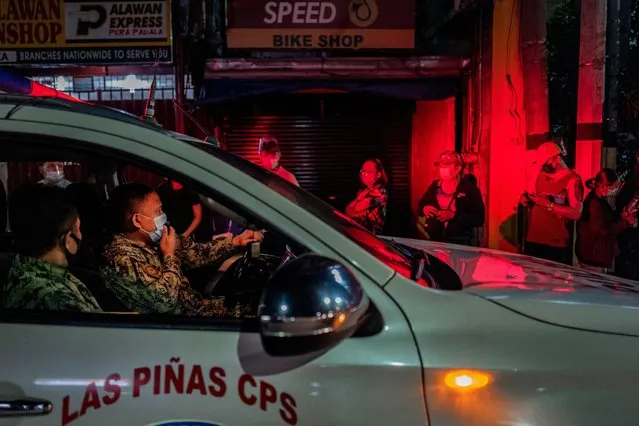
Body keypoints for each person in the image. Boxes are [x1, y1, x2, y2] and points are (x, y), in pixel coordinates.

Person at [100, 183, 263, 317]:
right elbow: (166, 301)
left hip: (198, 308)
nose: (163, 215)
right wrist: (169, 255)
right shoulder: (120, 259)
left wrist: (235, 241)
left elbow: (196, 253)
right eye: (158, 211)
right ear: (137, 220)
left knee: (257, 303)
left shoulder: (153, 239)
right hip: (183, 326)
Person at [2, 184, 101, 312]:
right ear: (68, 239)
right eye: (78, 228)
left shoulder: (20, 269)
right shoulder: (60, 300)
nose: (80, 235)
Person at [521, 142, 584, 264]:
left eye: (546, 163)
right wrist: (527, 201)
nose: (544, 166)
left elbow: (576, 213)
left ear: (557, 158)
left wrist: (549, 205)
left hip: (556, 243)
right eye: (542, 164)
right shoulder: (540, 174)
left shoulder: (572, 180)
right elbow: (534, 198)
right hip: (534, 238)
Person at [416, 151, 485, 246]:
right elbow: (420, 206)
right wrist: (424, 209)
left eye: (446, 166)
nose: (442, 169)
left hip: (460, 244)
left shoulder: (470, 189)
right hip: (436, 243)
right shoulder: (435, 186)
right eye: (440, 166)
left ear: (458, 169)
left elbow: (479, 218)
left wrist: (454, 216)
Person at [576, 169, 637, 273]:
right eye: (614, 187)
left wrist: (622, 217)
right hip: (593, 258)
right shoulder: (595, 204)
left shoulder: (599, 200)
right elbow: (604, 230)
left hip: (594, 255)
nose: (615, 190)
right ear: (605, 187)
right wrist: (625, 222)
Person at [345, 159, 388, 234]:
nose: (365, 174)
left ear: (378, 174)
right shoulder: (365, 190)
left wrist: (357, 202)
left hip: (372, 236)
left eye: (369, 172)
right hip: (363, 234)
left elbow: (351, 211)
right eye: (363, 171)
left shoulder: (377, 192)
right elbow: (348, 210)